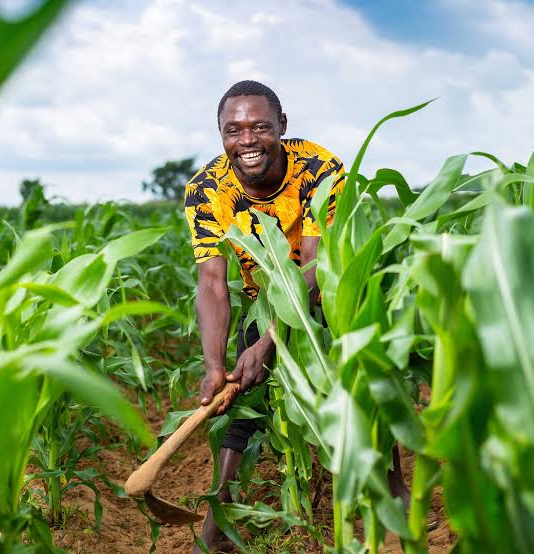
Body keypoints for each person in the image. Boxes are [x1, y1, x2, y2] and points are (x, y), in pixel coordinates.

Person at [184, 80, 411, 553]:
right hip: (266, 296)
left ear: (282, 127)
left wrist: (268, 343)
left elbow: (312, 269)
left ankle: (392, 486)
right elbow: (211, 281)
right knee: (240, 397)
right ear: (220, 135)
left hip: (331, 290)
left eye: (260, 127)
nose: (247, 141)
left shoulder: (317, 168)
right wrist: (213, 365)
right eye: (233, 130)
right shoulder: (206, 189)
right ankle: (220, 510)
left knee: (360, 371)